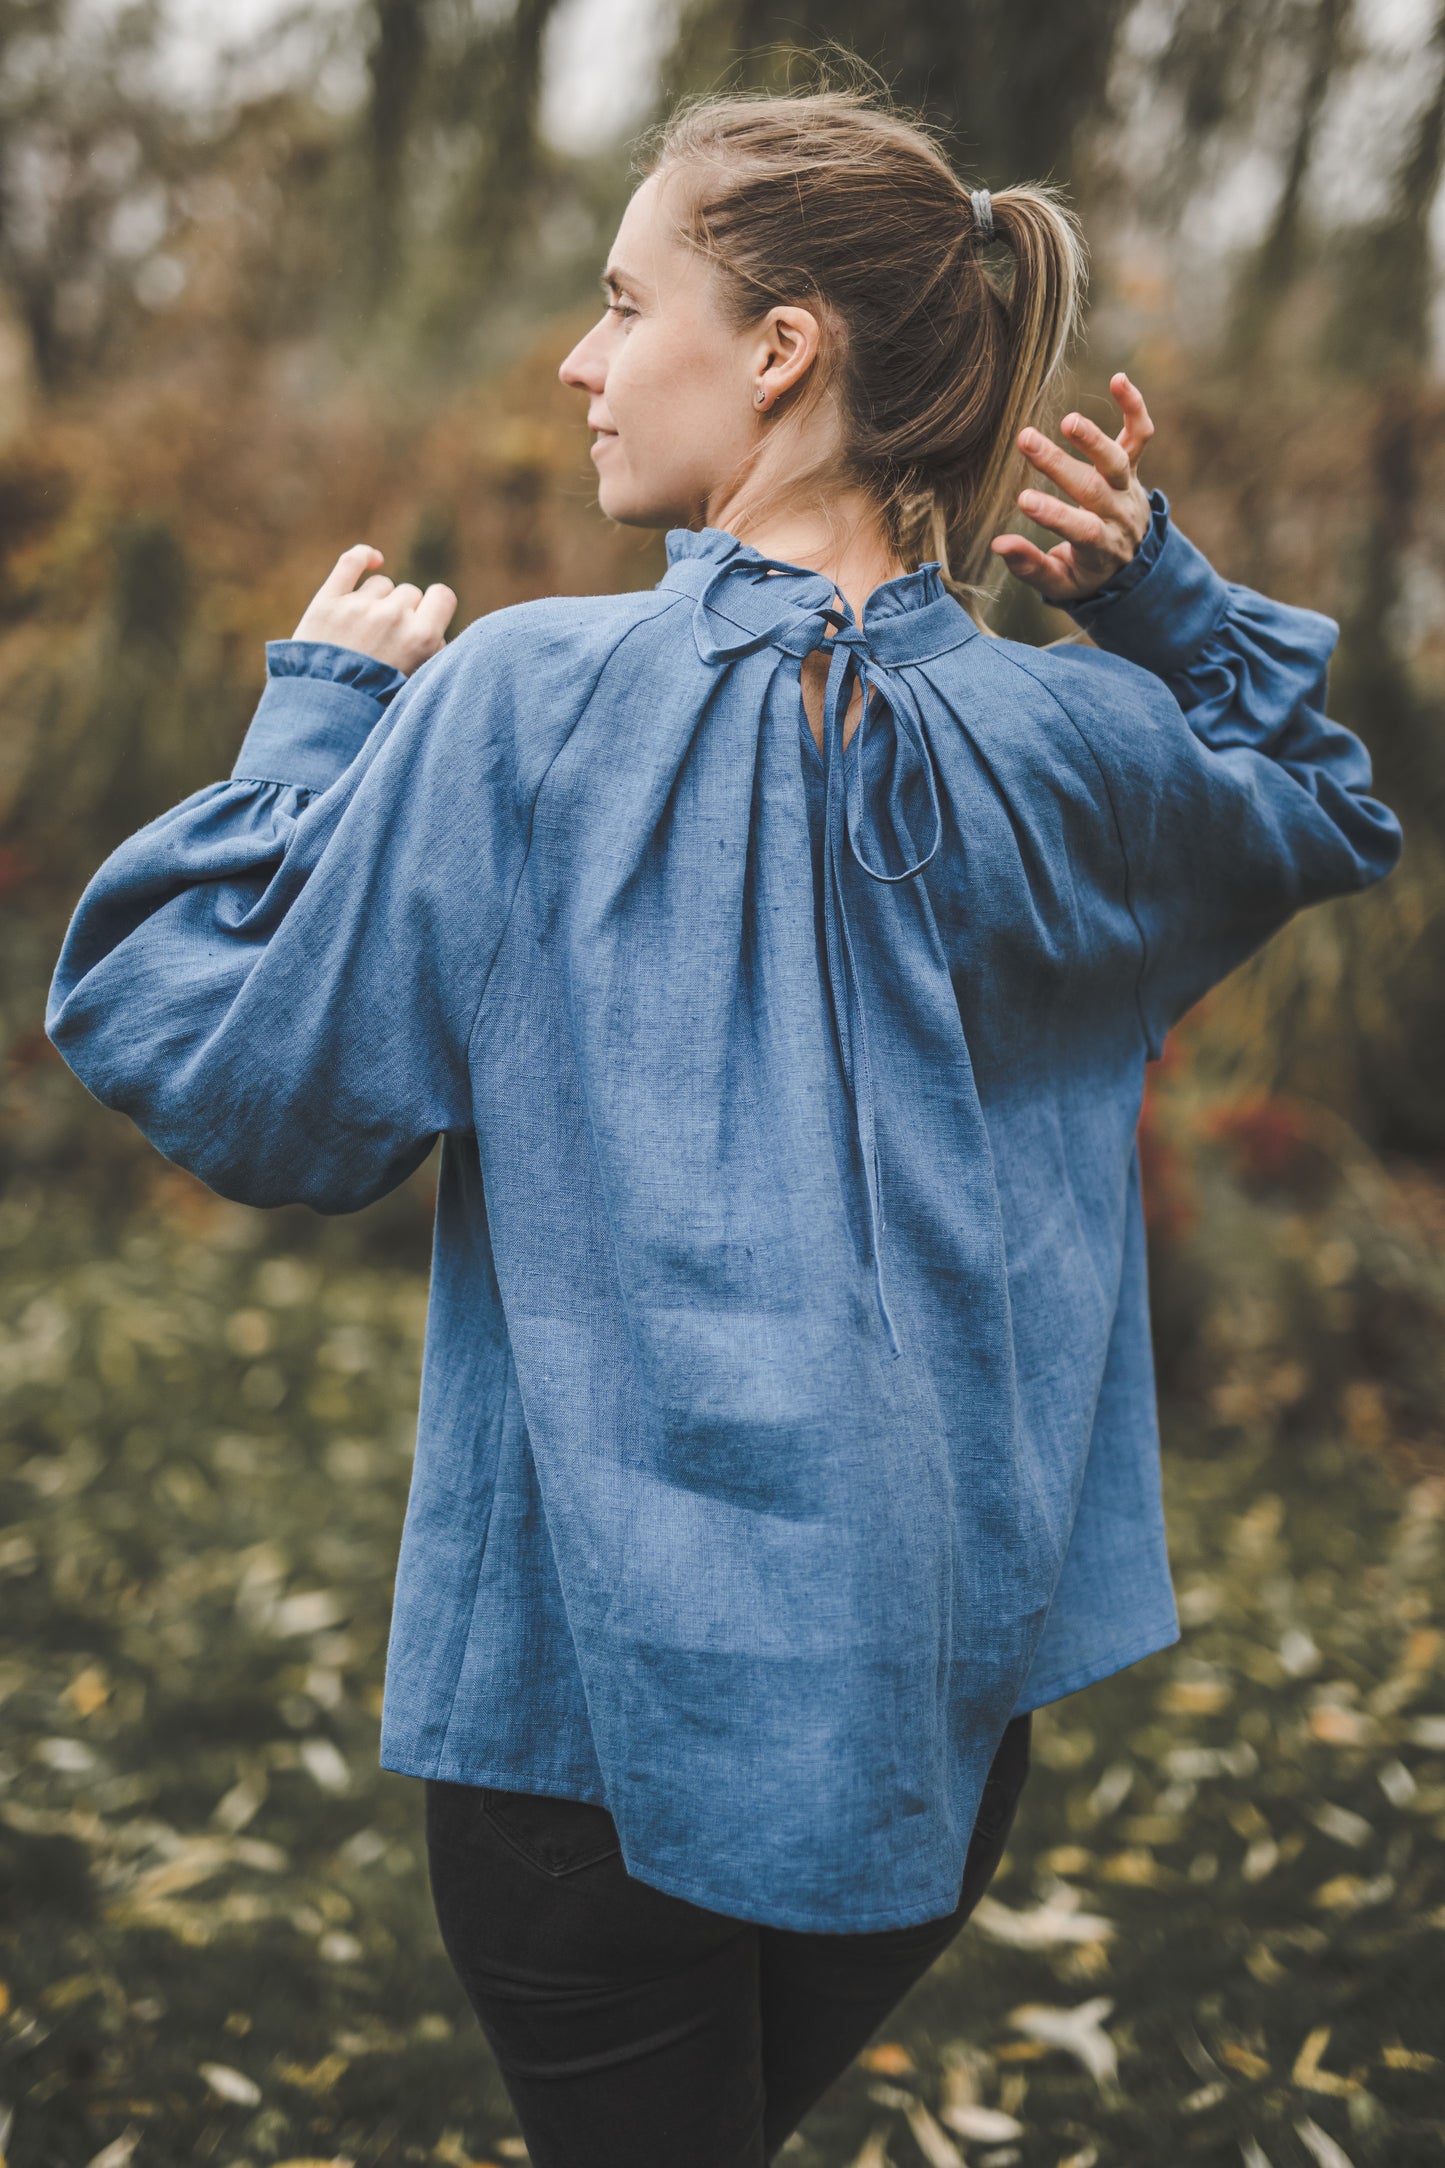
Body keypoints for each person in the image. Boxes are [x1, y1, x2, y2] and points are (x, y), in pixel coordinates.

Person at [47, 86, 1400, 2168]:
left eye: (619, 301)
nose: (582, 364)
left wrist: (315, 718)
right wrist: (1159, 603)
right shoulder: (1064, 736)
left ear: (781, 351)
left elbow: (243, 1077)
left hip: (587, 1729)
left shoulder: (519, 706)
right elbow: (1321, 805)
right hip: (934, 1729)